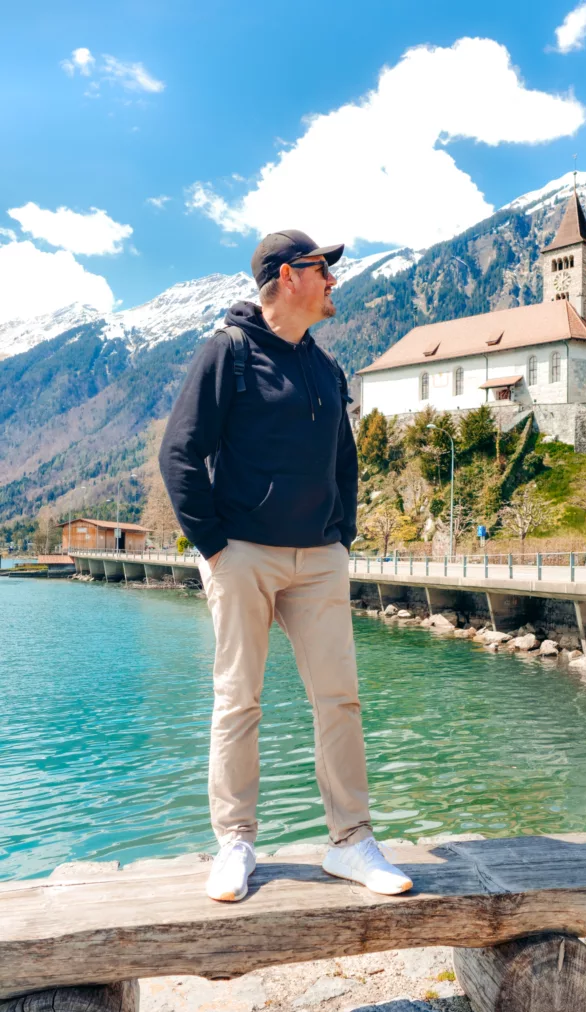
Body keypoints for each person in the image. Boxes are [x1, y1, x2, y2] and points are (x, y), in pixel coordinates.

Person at [159, 230, 412, 902]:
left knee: (341, 700)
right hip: (243, 554)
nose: (333, 278)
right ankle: (236, 843)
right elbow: (179, 455)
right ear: (287, 276)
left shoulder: (325, 368)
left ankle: (351, 843)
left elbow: (344, 462)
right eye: (322, 268)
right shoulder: (229, 353)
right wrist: (214, 547)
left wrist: (342, 537)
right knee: (238, 700)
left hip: (319, 559)